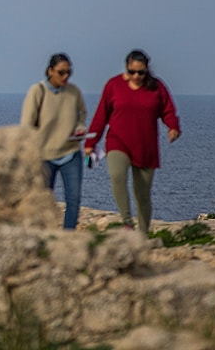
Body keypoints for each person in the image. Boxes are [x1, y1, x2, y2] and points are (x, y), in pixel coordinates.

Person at [84, 49, 182, 235]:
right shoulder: (113, 86)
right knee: (117, 175)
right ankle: (127, 221)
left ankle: (143, 234)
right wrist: (90, 142)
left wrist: (173, 127)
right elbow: (100, 116)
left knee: (142, 194)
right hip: (118, 142)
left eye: (141, 72)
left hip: (146, 147)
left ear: (147, 71)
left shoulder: (156, 87)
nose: (136, 76)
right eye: (132, 72)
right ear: (126, 69)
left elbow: (168, 110)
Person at [20, 52, 89, 230]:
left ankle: (68, 237)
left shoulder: (74, 92)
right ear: (50, 71)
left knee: (73, 199)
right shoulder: (37, 91)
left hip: (70, 153)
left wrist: (80, 129)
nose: (66, 76)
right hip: (44, 156)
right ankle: (42, 235)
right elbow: (27, 125)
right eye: (61, 72)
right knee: (43, 200)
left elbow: (81, 114)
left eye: (69, 72)